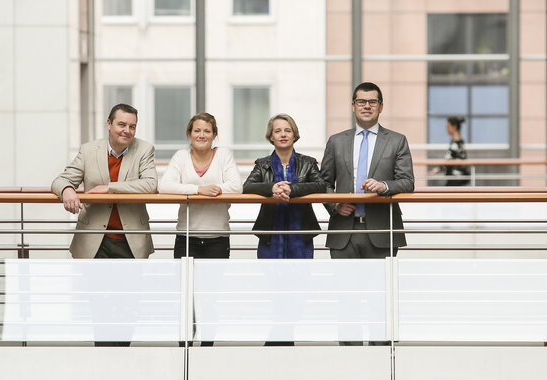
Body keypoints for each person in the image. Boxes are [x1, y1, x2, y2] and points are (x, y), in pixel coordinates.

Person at [320, 82, 415, 259]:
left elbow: (407, 182)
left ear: (381, 107)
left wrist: (383, 186)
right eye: (361, 101)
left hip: (383, 229)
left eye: (372, 102)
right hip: (343, 230)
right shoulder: (336, 141)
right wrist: (334, 205)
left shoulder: (397, 141)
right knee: (344, 285)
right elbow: (323, 183)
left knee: (381, 286)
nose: (366, 106)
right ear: (353, 106)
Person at [51, 103, 157, 259]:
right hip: (92, 238)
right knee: (89, 284)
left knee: (132, 284)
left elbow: (151, 185)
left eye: (132, 126)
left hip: (131, 238)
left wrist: (110, 188)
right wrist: (67, 190)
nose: (127, 131)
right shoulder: (88, 150)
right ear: (109, 124)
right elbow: (60, 180)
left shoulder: (145, 149)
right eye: (121, 124)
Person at [243, 113, 326, 259]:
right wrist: (272, 188)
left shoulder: (308, 162)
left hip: (302, 231)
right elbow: (247, 186)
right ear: (271, 137)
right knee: (270, 278)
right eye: (277, 131)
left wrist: (292, 189)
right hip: (269, 233)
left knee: (302, 278)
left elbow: (321, 185)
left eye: (288, 130)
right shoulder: (262, 164)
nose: (283, 134)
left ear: (294, 135)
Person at [159, 112, 242, 258]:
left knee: (214, 281)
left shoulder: (223, 155)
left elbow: (236, 187)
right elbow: (165, 186)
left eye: (207, 131)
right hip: (186, 235)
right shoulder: (181, 156)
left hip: (218, 236)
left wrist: (209, 190)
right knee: (184, 280)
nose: (201, 135)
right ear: (189, 134)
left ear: (214, 134)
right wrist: (198, 189)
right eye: (197, 131)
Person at [430, 116, 470, 186]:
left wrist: (435, 170)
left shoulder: (456, 144)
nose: (446, 129)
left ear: (454, 127)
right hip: (457, 177)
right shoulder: (459, 142)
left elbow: (448, 161)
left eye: (448, 127)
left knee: (444, 195)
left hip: (456, 178)